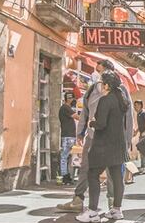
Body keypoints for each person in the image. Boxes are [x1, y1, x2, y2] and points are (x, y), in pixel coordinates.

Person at [57, 60, 133, 214]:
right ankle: (78, 199)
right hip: (93, 137)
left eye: (99, 70)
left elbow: (128, 117)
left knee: (113, 173)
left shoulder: (121, 90)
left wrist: (127, 139)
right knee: (86, 167)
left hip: (113, 138)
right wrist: (80, 131)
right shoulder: (92, 90)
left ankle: (113, 205)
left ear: (108, 73)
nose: (95, 74)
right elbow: (85, 111)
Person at [77, 70, 132, 223]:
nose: (99, 85)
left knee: (93, 175)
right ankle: (116, 209)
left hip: (103, 145)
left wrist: (92, 123)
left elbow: (101, 124)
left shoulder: (105, 100)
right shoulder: (121, 100)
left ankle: (93, 211)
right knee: (116, 177)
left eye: (101, 82)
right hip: (118, 143)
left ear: (106, 85)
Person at [58, 98, 77, 184]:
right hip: (67, 136)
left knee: (67, 156)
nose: (74, 100)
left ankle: (67, 175)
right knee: (64, 156)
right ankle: (65, 176)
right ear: (68, 99)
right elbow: (76, 117)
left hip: (69, 136)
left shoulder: (65, 108)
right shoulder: (65, 108)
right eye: (72, 99)